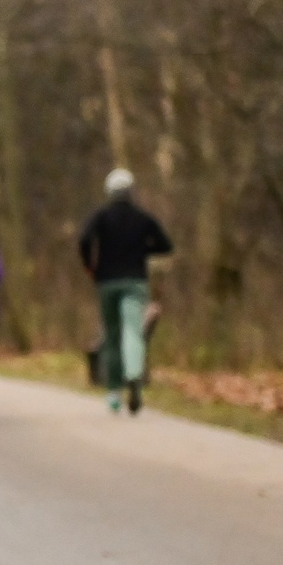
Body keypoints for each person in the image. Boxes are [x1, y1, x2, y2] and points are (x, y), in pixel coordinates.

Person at [79, 166, 173, 414]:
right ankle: (134, 376)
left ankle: (113, 392)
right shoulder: (143, 218)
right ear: (131, 192)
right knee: (133, 331)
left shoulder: (100, 216)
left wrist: (90, 265)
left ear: (109, 191)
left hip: (107, 281)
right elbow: (165, 245)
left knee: (111, 335)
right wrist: (143, 251)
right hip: (135, 281)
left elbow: (84, 239)